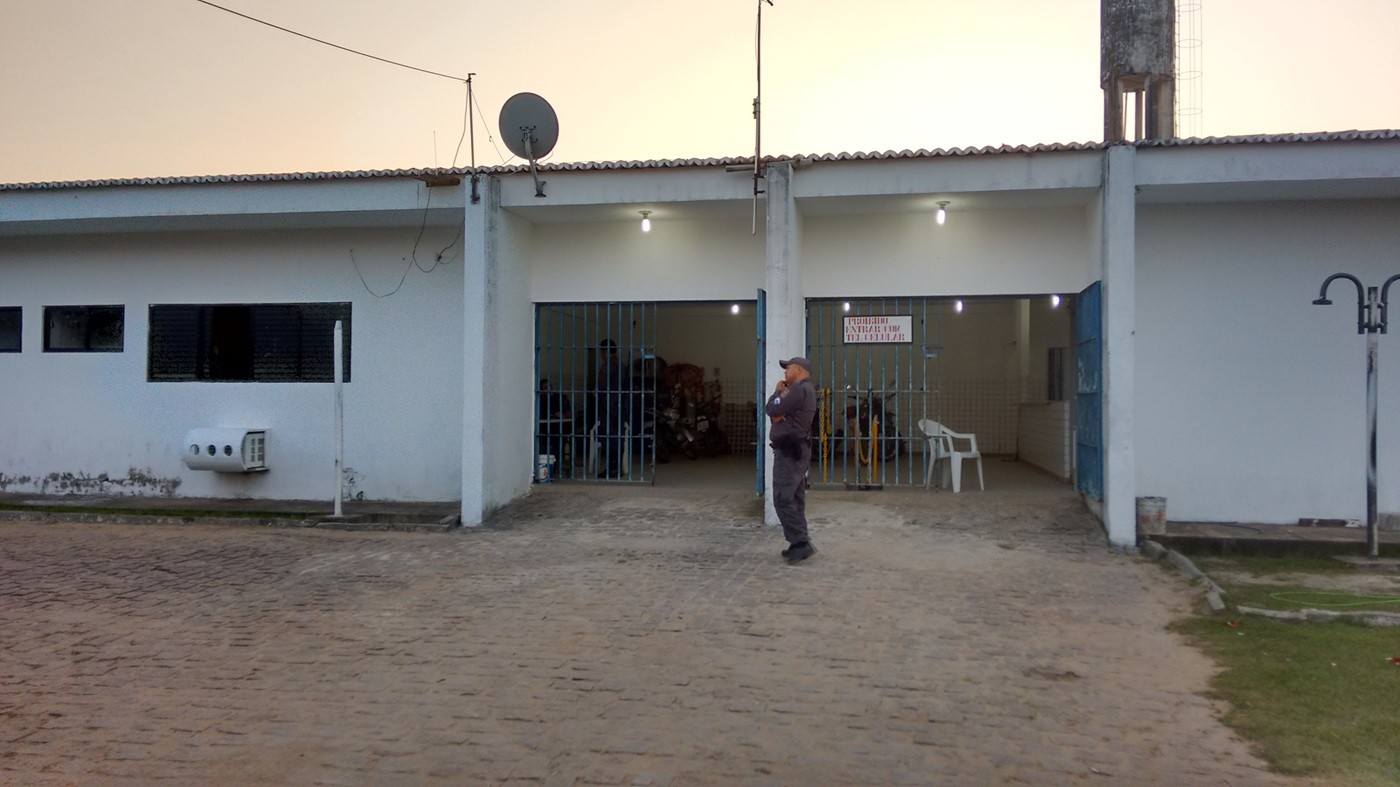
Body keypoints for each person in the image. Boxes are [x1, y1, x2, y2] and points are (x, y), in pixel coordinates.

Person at [766, 356, 818, 563]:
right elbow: (776, 413)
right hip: (797, 449)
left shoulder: (796, 389)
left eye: (788, 369)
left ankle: (800, 543)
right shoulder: (806, 389)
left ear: (799, 369)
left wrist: (778, 392)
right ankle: (799, 541)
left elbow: (772, 409)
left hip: (789, 452)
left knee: (782, 498)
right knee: (795, 497)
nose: (785, 373)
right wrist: (778, 413)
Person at [595, 339, 629, 478]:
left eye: (601, 351)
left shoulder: (608, 365)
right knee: (618, 437)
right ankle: (617, 468)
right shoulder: (621, 365)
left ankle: (611, 469)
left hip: (608, 406)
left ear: (605, 351)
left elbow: (601, 386)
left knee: (609, 437)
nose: (601, 355)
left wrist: (596, 392)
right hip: (620, 405)